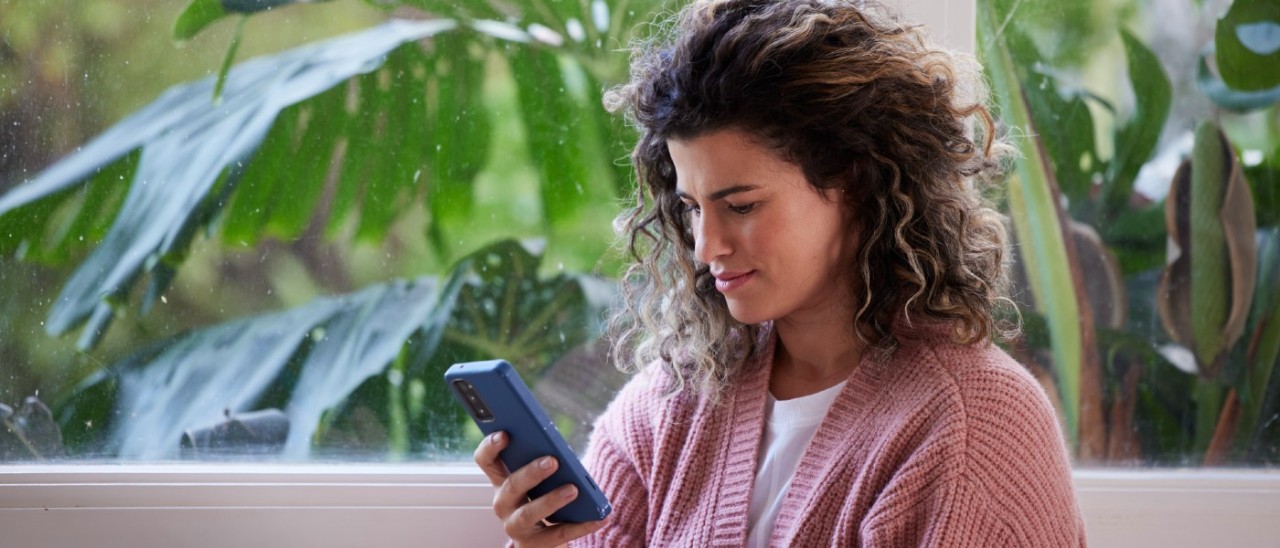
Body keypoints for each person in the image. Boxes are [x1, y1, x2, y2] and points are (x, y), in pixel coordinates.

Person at [474, 0, 1087, 545]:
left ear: (857, 183)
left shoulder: (971, 427)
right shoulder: (675, 403)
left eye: (741, 206)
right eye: (691, 209)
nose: (705, 245)